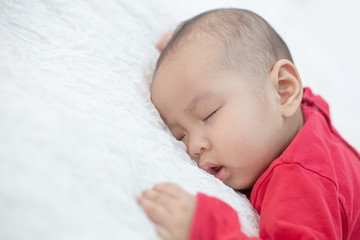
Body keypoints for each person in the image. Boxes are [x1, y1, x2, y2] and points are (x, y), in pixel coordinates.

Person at [137, 8, 360, 240]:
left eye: (208, 114)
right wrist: (182, 67)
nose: (193, 146)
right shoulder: (301, 117)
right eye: (180, 135)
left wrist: (209, 229)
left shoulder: (299, 185)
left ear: (284, 91)